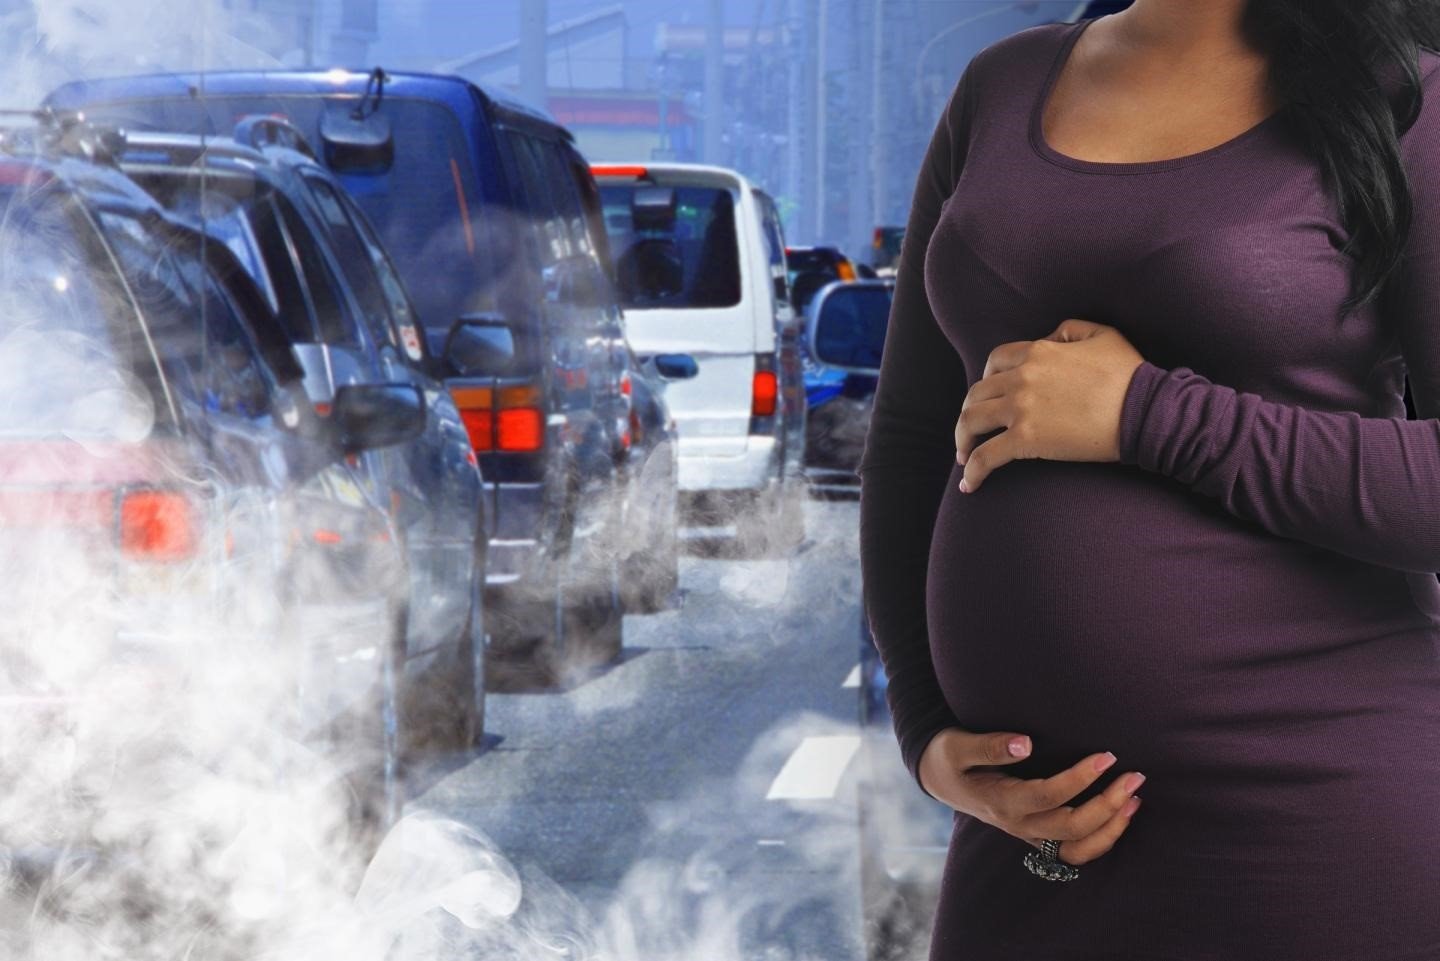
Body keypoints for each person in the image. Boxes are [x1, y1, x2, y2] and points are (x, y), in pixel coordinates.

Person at [857, 2, 1440, 958]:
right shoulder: (999, 88)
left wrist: (1148, 416)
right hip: (1036, 845)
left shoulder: (1403, 102)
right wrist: (924, 731)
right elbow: (914, 437)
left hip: (1319, 820)